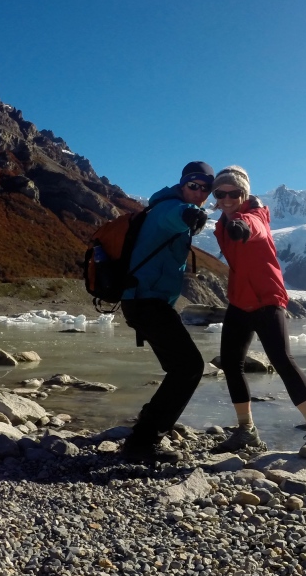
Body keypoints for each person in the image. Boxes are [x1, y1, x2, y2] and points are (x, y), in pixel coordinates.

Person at [210, 165, 306, 459]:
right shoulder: (221, 225)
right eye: (220, 193)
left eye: (234, 193)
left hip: (266, 299)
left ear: (244, 194)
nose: (227, 198)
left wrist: (243, 227)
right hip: (240, 301)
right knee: (230, 363)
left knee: (281, 360)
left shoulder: (252, 216)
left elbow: (257, 227)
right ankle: (245, 431)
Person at [119, 161, 213, 463]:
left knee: (181, 368)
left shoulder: (166, 203)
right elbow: (174, 217)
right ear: (183, 184)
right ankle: (143, 440)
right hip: (146, 302)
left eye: (204, 188)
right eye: (193, 185)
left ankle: (146, 427)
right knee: (189, 368)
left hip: (146, 302)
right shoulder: (168, 207)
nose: (198, 192)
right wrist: (190, 215)